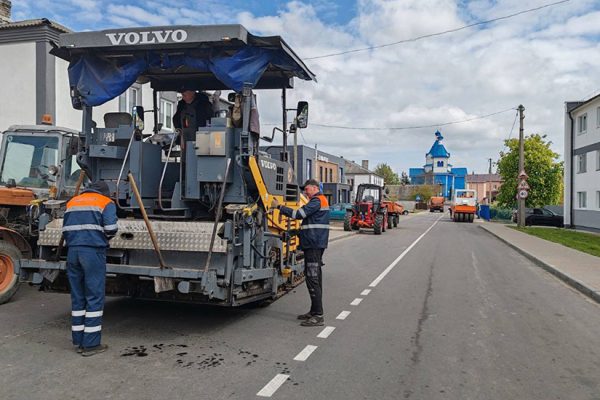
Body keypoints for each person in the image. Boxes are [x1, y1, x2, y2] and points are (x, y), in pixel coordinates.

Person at [62, 181, 118, 356]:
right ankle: (91, 344)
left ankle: (78, 340)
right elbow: (111, 229)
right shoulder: (105, 202)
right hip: (92, 252)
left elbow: (65, 229)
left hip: (72, 252)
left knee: (78, 297)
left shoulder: (72, 202)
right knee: (94, 296)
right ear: (105, 192)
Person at [272, 179, 330, 327]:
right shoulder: (319, 201)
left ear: (315, 188)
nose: (305, 192)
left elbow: (298, 214)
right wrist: (295, 232)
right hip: (315, 243)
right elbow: (311, 224)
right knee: (314, 277)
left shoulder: (317, 201)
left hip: (313, 245)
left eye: (307, 189)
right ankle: (314, 311)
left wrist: (278, 206)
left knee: (312, 278)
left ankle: (318, 315)